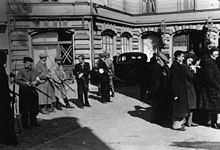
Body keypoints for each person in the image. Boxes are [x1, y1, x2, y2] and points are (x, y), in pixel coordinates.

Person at [15, 57, 41, 128]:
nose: (25, 64)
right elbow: (16, 80)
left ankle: (33, 122)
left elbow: (38, 80)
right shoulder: (21, 71)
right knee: (25, 109)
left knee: (34, 108)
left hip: (33, 92)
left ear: (30, 63)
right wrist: (25, 83)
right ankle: (25, 125)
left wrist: (36, 82)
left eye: (26, 62)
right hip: (24, 93)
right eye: (24, 63)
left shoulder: (35, 70)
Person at [199, 47, 220, 128]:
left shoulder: (211, 61)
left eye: (217, 54)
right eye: (215, 54)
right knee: (216, 106)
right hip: (212, 88)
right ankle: (216, 122)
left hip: (212, 87)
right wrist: (218, 86)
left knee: (213, 107)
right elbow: (210, 77)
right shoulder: (209, 62)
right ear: (211, 53)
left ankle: (210, 122)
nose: (216, 56)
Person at [0, 51, 17, 145]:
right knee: (6, 119)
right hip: (2, 100)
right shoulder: (1, 71)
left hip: (3, 98)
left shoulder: (2, 70)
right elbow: (2, 88)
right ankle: (7, 139)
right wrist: (9, 97)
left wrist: (11, 93)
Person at [170, 50, 188, 131]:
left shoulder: (178, 65)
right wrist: (175, 94)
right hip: (178, 91)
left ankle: (179, 123)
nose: (183, 58)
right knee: (178, 109)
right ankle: (176, 125)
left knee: (181, 108)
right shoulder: (175, 66)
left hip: (181, 90)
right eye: (182, 56)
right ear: (178, 57)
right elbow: (173, 81)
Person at [182, 53, 198, 127]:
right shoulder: (185, 66)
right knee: (190, 104)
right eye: (189, 60)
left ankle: (189, 120)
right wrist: (193, 70)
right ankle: (188, 121)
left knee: (191, 104)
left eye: (191, 61)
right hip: (188, 87)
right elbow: (190, 76)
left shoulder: (186, 66)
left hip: (189, 87)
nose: (190, 62)